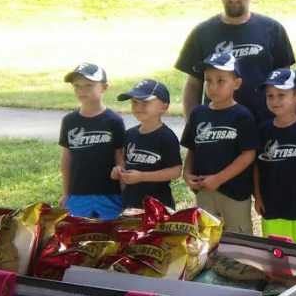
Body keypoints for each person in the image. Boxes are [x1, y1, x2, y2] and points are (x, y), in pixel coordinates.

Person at [176, 0, 295, 121]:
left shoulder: (273, 30)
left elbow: (286, 83)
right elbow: (193, 85)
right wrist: (192, 126)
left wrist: (285, 125)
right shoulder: (202, 33)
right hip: (218, 127)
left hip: (264, 125)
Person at [181, 52, 259, 234]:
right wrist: (187, 174)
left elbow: (248, 155)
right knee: (205, 237)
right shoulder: (198, 113)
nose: (213, 87)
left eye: (221, 81)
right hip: (204, 189)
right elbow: (192, 148)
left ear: (236, 83)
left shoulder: (242, 116)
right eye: (208, 80)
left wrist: (218, 179)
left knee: (238, 238)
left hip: (234, 192)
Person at [253, 68, 296, 243]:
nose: (275, 101)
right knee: (275, 251)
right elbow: (257, 166)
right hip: (271, 205)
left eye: (281, 95)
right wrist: (258, 197)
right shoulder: (263, 130)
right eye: (270, 96)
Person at [59, 62, 125, 219]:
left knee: (111, 230)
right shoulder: (69, 121)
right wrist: (66, 192)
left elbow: (120, 157)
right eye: (77, 86)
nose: (82, 90)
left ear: (104, 87)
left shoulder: (114, 121)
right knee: (77, 230)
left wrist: (125, 192)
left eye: (88, 85)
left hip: (109, 192)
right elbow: (66, 158)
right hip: (78, 193)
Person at [112, 79, 182, 210]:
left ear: (163, 107)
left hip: (158, 205)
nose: (138, 107)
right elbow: (126, 162)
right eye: (134, 102)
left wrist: (142, 177)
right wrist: (119, 170)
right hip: (131, 203)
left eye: (145, 103)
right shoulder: (129, 134)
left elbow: (176, 171)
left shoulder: (166, 137)